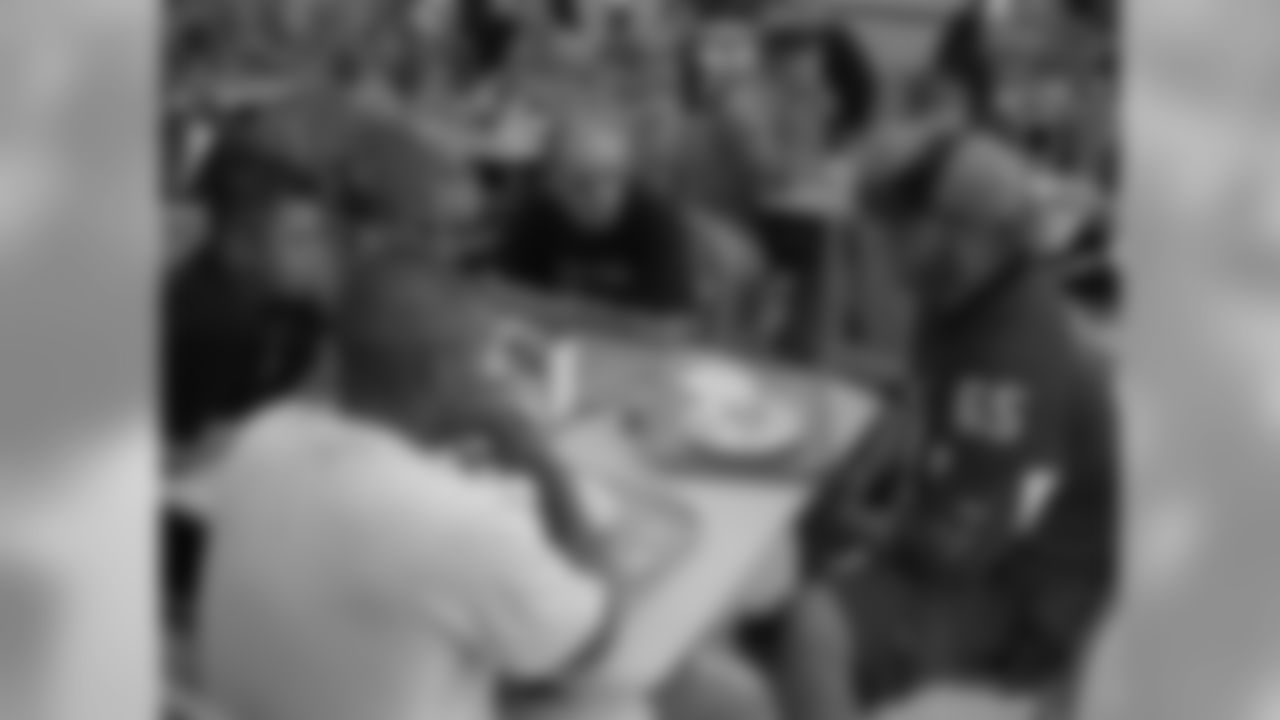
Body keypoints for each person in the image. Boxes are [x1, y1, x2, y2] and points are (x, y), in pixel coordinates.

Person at [767, 138, 1120, 719]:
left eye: (901, 225)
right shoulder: (964, 292)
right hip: (994, 532)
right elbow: (922, 400)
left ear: (969, 235)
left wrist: (863, 530)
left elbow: (960, 546)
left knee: (814, 627)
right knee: (815, 522)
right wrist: (851, 481)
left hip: (1031, 592)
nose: (879, 242)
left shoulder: (1009, 368)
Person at [193, 399, 616, 720]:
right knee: (616, 698)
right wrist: (543, 464)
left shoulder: (266, 436)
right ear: (450, 374)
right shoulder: (463, 521)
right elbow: (592, 644)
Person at [488, 108, 765, 343]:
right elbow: (505, 302)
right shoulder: (534, 216)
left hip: (639, 362)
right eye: (583, 183)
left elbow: (670, 328)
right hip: (565, 359)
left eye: (615, 177)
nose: (604, 196)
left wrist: (562, 315)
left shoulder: (656, 219)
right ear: (553, 183)